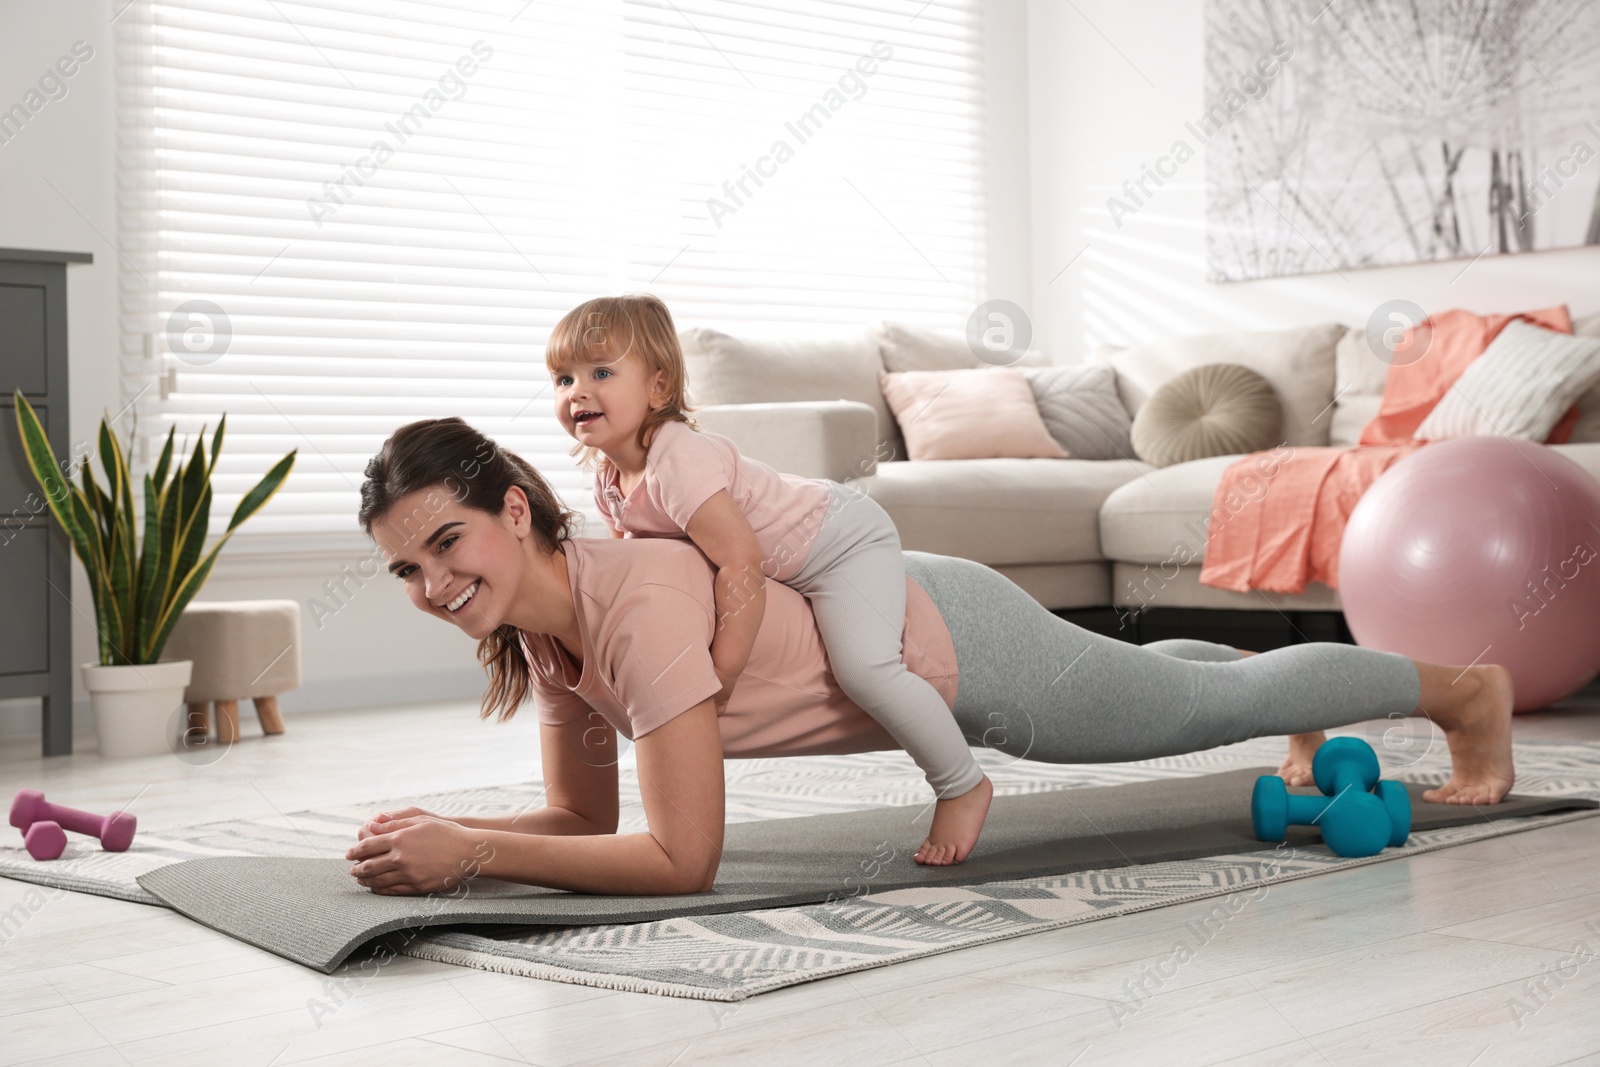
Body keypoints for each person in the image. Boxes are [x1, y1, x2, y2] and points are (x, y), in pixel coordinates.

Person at [346, 417, 1517, 897]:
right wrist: (443, 837)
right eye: (407, 569)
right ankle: (1236, 689)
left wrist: (478, 853)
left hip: (967, 654)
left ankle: (1465, 691)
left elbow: (682, 856)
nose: (435, 585)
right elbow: (576, 819)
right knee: (1192, 690)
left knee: (1209, 708)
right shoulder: (549, 640)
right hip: (931, 609)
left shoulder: (632, 606)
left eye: (445, 543)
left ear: (513, 508)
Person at [542, 293, 991, 866]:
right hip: (791, 560)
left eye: (600, 372)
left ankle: (961, 783)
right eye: (562, 378)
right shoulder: (610, 479)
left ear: (657, 389)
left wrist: (723, 671)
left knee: (867, 667)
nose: (576, 391)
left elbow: (741, 563)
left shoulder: (677, 460)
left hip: (839, 541)